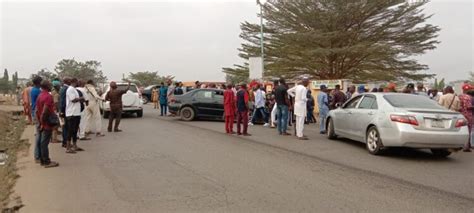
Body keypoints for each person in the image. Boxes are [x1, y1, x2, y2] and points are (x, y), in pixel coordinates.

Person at [35, 80, 59, 168]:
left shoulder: (40, 96)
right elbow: (45, 111)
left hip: (42, 122)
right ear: (46, 86)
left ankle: (42, 160)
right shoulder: (48, 96)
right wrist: (42, 123)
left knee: (42, 142)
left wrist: (39, 122)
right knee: (44, 143)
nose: (51, 86)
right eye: (49, 84)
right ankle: (46, 161)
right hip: (46, 123)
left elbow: (37, 110)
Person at [65, 78, 85, 153]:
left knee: (75, 130)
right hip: (71, 113)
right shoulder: (70, 89)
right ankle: (68, 147)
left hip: (76, 112)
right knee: (70, 130)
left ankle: (74, 145)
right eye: (77, 82)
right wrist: (81, 98)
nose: (78, 83)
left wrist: (81, 99)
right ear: (74, 82)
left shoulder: (74, 89)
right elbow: (73, 100)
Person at [31, 76, 43, 163]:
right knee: (39, 134)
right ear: (39, 82)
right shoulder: (38, 91)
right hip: (37, 112)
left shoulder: (33, 90)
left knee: (39, 133)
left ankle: (38, 154)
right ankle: (37, 155)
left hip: (34, 111)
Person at [458, 84, 473, 152]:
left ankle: (459, 144)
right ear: (467, 90)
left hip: (460, 114)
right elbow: (469, 107)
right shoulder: (468, 97)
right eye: (470, 89)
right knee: (468, 130)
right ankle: (466, 146)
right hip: (468, 115)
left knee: (460, 130)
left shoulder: (459, 96)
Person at [59, 77, 71, 148]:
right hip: (65, 111)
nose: (70, 81)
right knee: (66, 127)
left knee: (65, 127)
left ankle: (65, 142)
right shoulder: (65, 89)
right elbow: (63, 102)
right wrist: (62, 111)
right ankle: (65, 142)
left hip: (63, 110)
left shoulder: (63, 88)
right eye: (69, 80)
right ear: (67, 81)